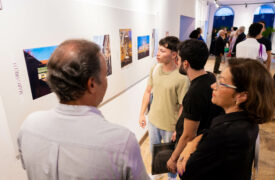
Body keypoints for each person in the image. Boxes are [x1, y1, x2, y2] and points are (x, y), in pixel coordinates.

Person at [18, 39, 150, 180]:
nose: (106, 81)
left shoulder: (29, 126)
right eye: (105, 75)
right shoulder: (121, 141)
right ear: (92, 84)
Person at [177, 58, 275, 180]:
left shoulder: (225, 132)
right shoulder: (247, 119)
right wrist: (192, 143)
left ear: (242, 96)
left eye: (221, 83)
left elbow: (185, 173)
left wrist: (183, 155)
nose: (213, 86)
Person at [167, 39, 223, 175]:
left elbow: (189, 135)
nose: (177, 62)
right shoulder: (210, 77)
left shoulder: (194, 93)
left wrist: (173, 158)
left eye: (179, 59)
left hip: (193, 153)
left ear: (185, 64)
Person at [139, 36, 189, 180]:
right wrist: (141, 114)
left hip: (170, 125)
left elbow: (182, 106)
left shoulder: (182, 77)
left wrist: (177, 128)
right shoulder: (155, 68)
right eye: (158, 50)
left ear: (174, 54)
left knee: (171, 157)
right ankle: (157, 174)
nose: (157, 54)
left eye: (162, 51)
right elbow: (148, 91)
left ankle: (171, 178)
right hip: (153, 121)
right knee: (155, 153)